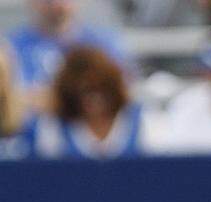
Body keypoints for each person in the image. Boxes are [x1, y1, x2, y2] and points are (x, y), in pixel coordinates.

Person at [25, 45, 157, 158]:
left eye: (101, 90)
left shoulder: (143, 121)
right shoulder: (54, 128)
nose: (94, 100)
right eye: (85, 92)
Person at [6, 0, 133, 114]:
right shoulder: (10, 47)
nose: (56, 4)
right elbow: (10, 100)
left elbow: (123, 93)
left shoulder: (104, 45)